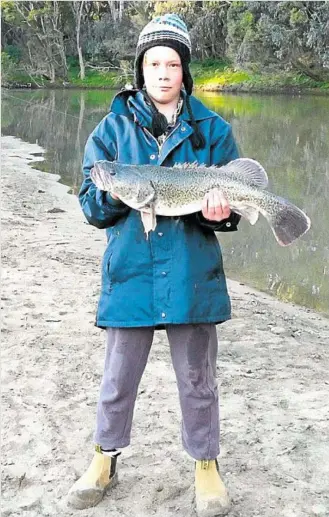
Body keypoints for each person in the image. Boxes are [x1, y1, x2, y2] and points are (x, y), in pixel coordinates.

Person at [68, 13, 241, 517]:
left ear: (184, 71)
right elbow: (91, 204)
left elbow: (226, 220)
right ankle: (104, 457)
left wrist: (222, 213)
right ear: (140, 69)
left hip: (192, 277)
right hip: (131, 275)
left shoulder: (213, 130)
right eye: (153, 63)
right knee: (118, 376)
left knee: (198, 378)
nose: (163, 72)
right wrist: (122, 191)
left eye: (172, 63)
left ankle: (206, 465)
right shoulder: (110, 131)